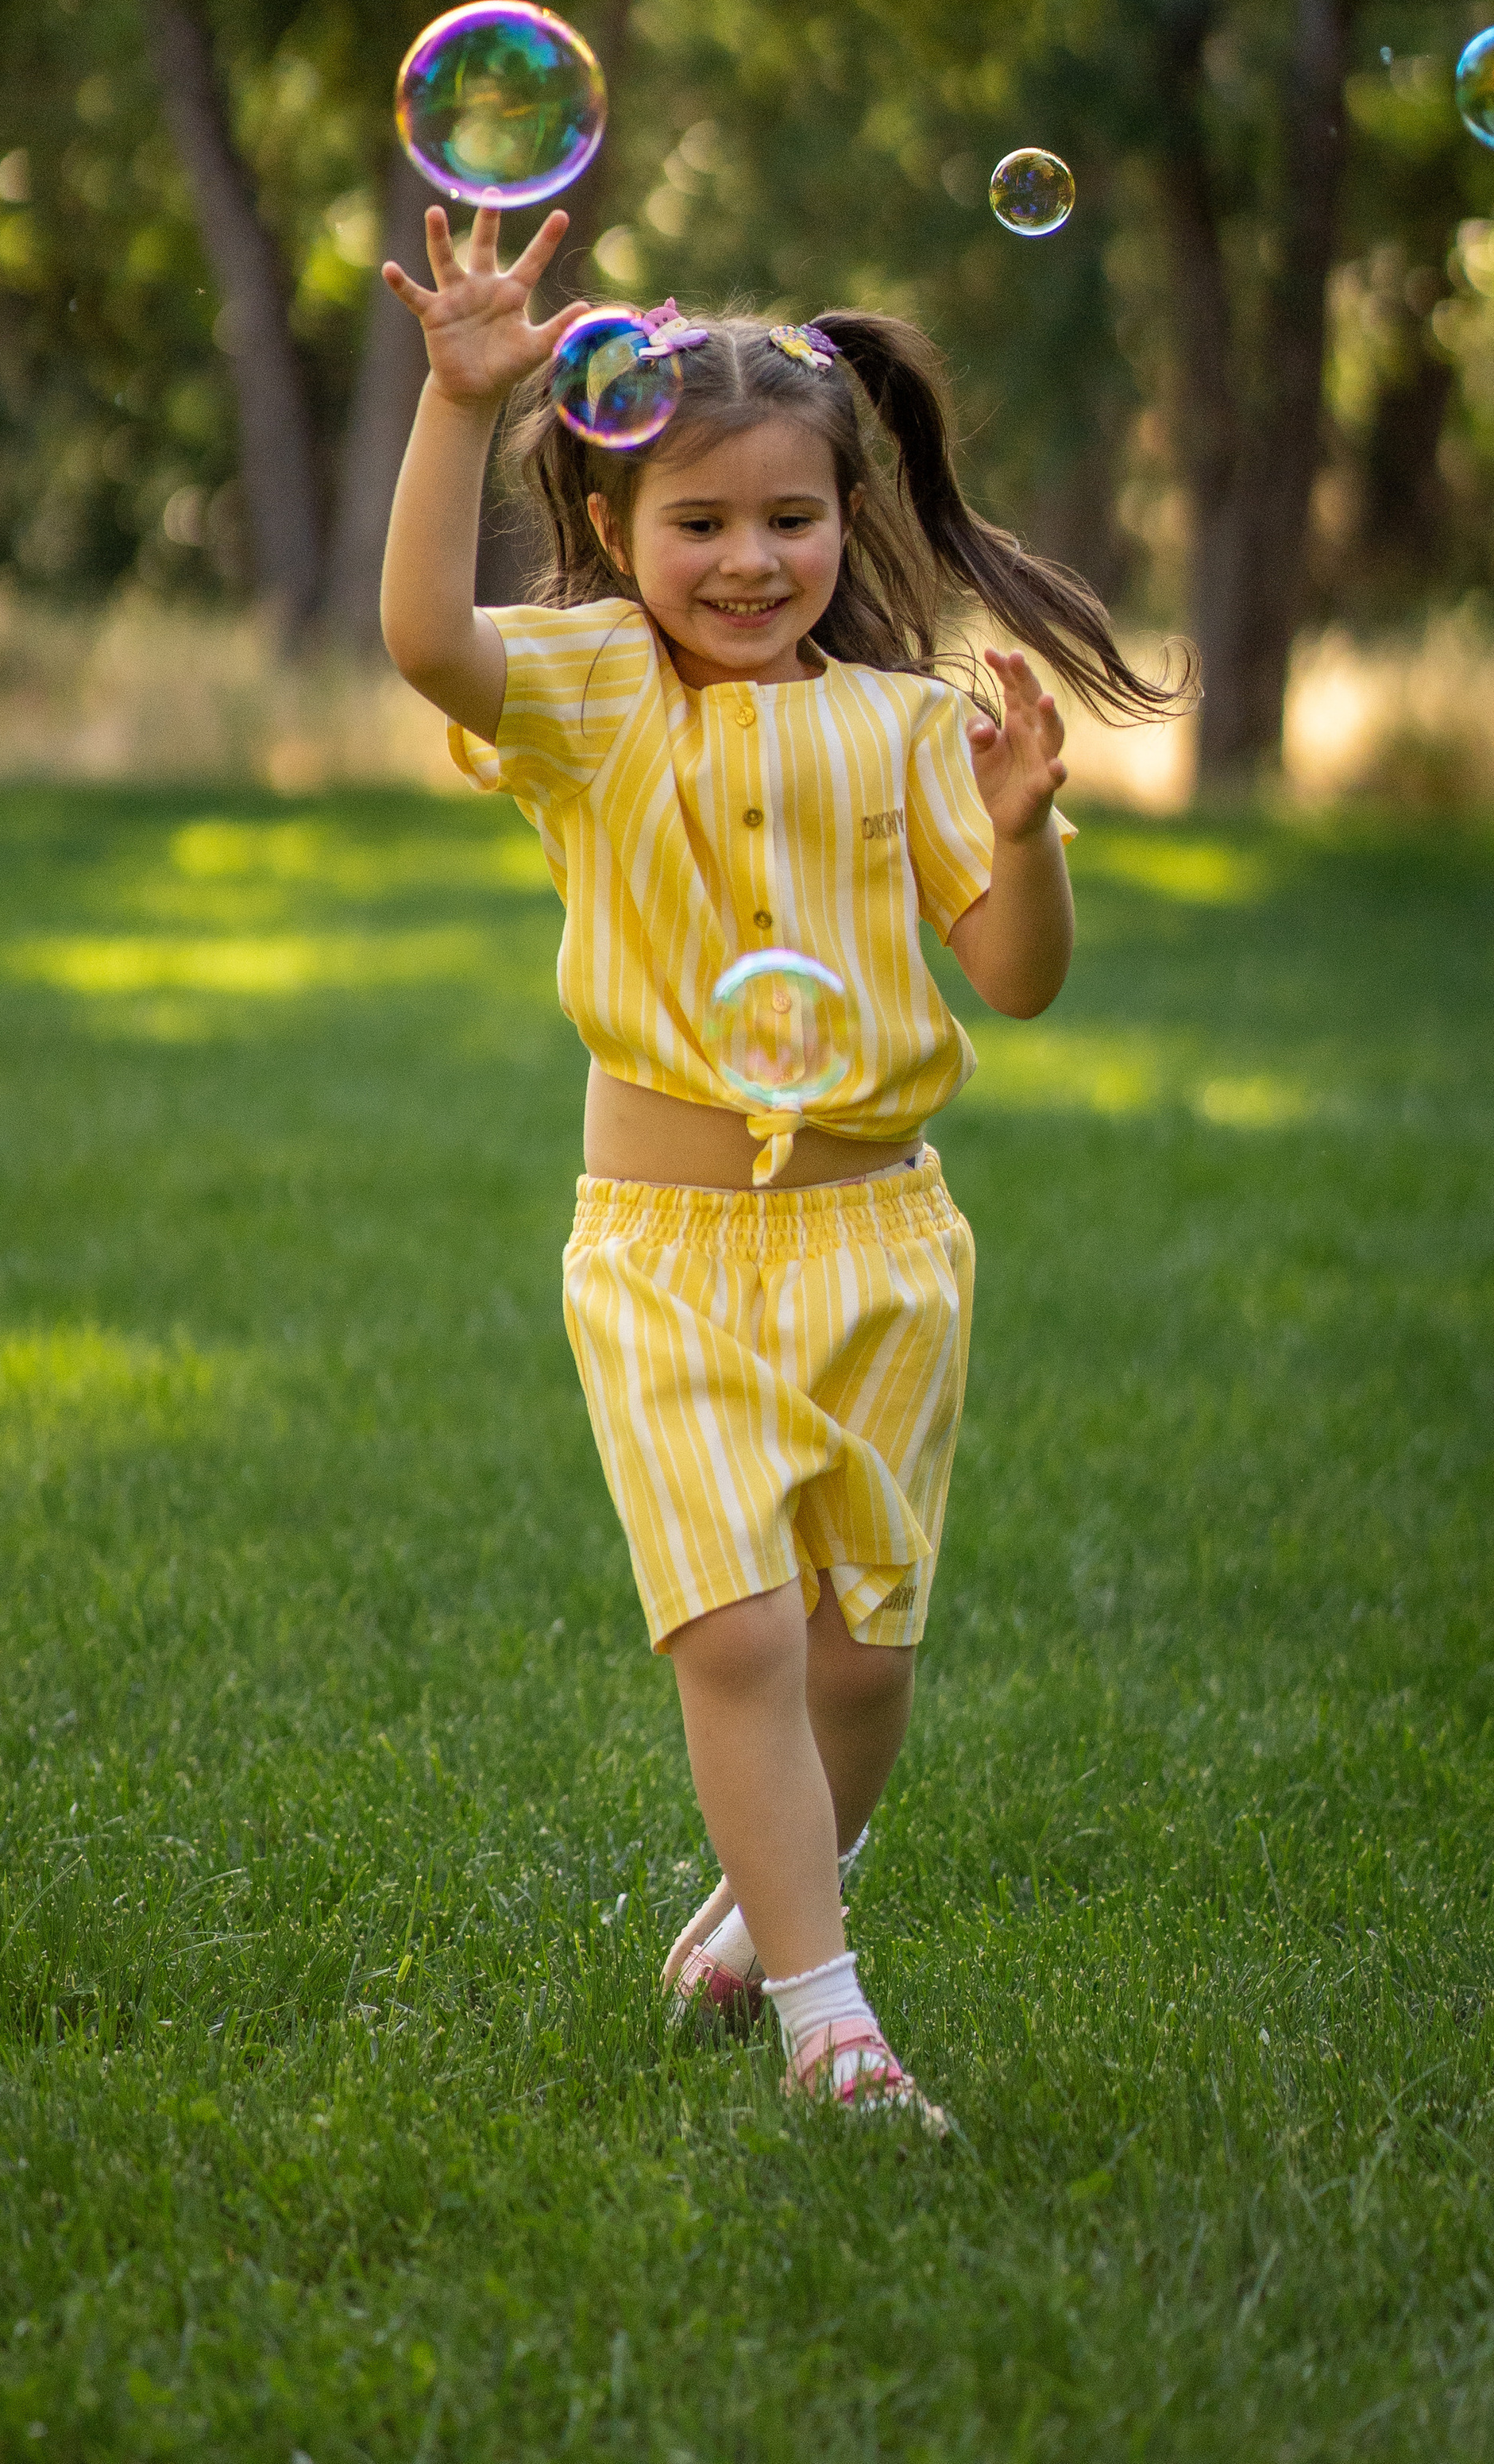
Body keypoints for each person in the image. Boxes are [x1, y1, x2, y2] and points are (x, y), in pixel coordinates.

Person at [377, 201, 1183, 2126]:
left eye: (789, 521)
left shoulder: (908, 725)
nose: (749, 559)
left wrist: (1023, 834)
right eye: (699, 524)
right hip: (658, 1253)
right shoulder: (581, 702)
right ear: (616, 535)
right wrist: (455, 405)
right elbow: (419, 634)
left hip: (883, 1248)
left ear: (848, 519)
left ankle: (764, 1908)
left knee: (858, 1665)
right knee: (731, 1631)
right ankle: (831, 2025)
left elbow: (1016, 980)